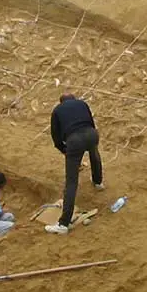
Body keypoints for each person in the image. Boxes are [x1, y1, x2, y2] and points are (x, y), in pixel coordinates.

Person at [45, 94, 104, 236]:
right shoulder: (82, 104)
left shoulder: (57, 110)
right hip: (91, 134)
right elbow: (90, 122)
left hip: (74, 140)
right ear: (74, 99)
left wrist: (65, 151)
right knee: (94, 153)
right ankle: (98, 182)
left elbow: (56, 137)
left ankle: (63, 224)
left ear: (61, 102)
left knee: (71, 182)